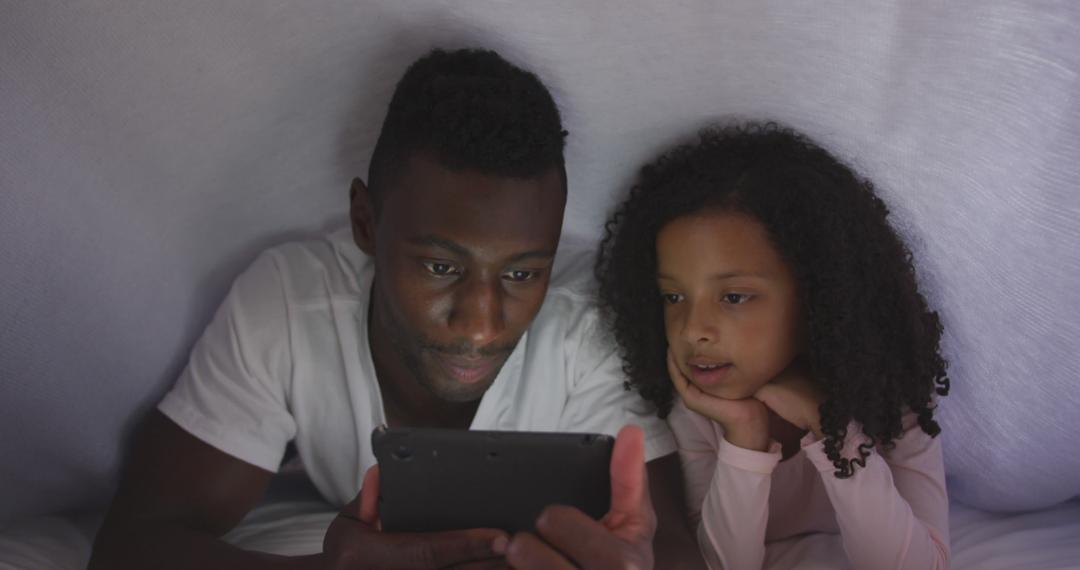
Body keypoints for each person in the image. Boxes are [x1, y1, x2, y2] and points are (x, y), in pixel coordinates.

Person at [90, 48, 702, 569]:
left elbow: (668, 551)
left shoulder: (589, 322)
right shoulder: (292, 301)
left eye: (521, 272)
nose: (482, 324)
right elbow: (129, 545)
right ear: (366, 222)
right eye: (441, 267)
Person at [595, 122, 952, 569]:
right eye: (673, 297)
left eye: (734, 297)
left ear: (816, 295)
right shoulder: (697, 411)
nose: (692, 330)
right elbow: (723, 566)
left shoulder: (890, 394)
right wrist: (743, 434)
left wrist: (832, 429)